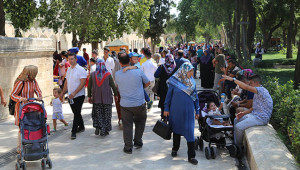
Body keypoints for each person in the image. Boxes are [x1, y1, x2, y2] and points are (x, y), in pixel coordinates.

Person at [222, 74, 273, 157]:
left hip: (261, 118)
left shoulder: (261, 90)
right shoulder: (258, 92)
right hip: (255, 115)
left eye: (251, 83)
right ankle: (235, 143)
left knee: (239, 127)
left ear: (257, 83)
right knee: (236, 120)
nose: (250, 85)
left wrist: (233, 79)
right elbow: (254, 107)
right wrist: (243, 113)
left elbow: (245, 87)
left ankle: (238, 147)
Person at [164, 62, 200, 165]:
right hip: (176, 111)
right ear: (183, 71)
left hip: (188, 111)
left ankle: (191, 156)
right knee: (176, 130)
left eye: (192, 70)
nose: (192, 73)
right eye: (190, 71)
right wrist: (166, 108)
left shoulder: (192, 82)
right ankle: (175, 148)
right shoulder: (174, 82)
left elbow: (196, 98)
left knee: (190, 132)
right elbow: (168, 97)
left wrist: (197, 110)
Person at [115, 51, 150, 154]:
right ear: (130, 60)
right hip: (139, 103)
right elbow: (147, 82)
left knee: (127, 125)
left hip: (125, 104)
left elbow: (118, 86)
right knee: (141, 121)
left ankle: (128, 147)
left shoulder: (117, 74)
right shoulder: (138, 71)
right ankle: (138, 141)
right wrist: (139, 87)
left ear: (120, 63)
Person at [10, 65, 42, 153]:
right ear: (31, 73)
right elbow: (12, 95)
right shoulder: (21, 82)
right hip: (21, 108)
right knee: (22, 127)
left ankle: (30, 142)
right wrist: (20, 98)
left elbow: (38, 90)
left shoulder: (34, 82)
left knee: (30, 125)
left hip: (31, 108)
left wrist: (39, 96)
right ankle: (19, 146)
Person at [88, 59, 118, 136]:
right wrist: (115, 95)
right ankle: (105, 129)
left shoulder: (93, 75)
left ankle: (100, 127)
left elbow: (89, 86)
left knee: (98, 114)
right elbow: (113, 86)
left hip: (96, 98)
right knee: (107, 115)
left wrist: (89, 96)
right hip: (107, 98)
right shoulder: (108, 74)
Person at [61, 53, 87, 140]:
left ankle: (74, 131)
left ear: (76, 59)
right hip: (70, 96)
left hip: (79, 95)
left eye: (72, 59)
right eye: (69, 59)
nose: (71, 60)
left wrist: (75, 93)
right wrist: (62, 94)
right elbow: (66, 82)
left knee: (76, 113)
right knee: (76, 112)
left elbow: (83, 83)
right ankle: (82, 126)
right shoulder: (69, 70)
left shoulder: (81, 70)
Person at [154, 54, 176, 119]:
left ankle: (164, 117)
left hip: (163, 88)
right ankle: (171, 117)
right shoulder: (175, 67)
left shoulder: (161, 67)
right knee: (172, 102)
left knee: (163, 101)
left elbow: (156, 75)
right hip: (173, 87)